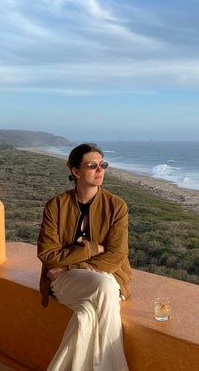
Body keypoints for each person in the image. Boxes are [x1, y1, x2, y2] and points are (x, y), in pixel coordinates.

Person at [37, 143, 132, 371]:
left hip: (97, 274)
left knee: (87, 315)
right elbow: (48, 254)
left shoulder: (116, 206)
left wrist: (71, 266)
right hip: (62, 279)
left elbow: (116, 255)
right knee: (103, 286)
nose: (100, 170)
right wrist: (92, 249)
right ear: (75, 171)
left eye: (103, 165)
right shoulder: (56, 206)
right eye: (92, 166)